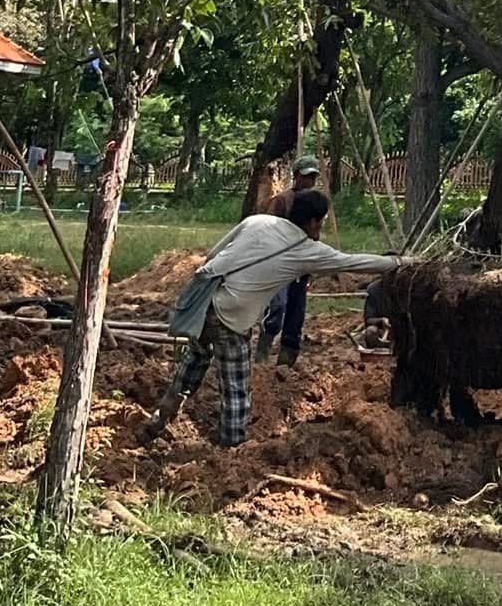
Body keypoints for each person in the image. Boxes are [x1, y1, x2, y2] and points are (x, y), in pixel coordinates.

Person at [141, 190, 394, 447]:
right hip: (231, 318)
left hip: (202, 305)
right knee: (235, 390)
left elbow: (212, 256)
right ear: (315, 222)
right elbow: (353, 262)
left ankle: (157, 421)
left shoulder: (257, 221)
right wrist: (400, 262)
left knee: (191, 366)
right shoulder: (306, 250)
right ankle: (232, 452)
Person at [258, 154, 323, 365]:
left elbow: (315, 235)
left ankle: (286, 361)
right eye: (306, 176)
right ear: (296, 176)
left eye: (313, 177)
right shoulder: (282, 201)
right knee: (277, 307)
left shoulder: (316, 203)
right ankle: (262, 354)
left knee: (296, 313)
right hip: (281, 263)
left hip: (302, 266)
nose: (310, 181)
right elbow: (269, 231)